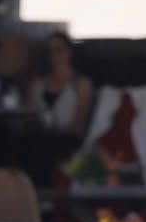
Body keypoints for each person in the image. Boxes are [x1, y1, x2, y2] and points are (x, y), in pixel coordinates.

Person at [22, 32, 95, 186]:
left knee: (45, 149)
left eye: (59, 50)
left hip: (69, 139)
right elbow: (28, 116)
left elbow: (79, 124)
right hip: (39, 137)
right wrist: (37, 126)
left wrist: (54, 130)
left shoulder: (81, 83)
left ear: (69, 52)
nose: (54, 55)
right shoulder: (37, 84)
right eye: (49, 51)